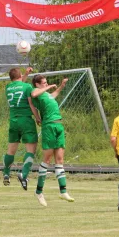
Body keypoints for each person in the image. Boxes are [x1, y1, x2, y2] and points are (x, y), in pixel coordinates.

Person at [30, 74, 74, 206]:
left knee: (60, 159)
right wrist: (47, 87)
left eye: (46, 82)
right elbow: (33, 95)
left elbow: (53, 94)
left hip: (58, 125)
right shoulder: (36, 93)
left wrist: (61, 86)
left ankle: (63, 191)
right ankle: (38, 191)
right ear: (37, 84)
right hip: (48, 126)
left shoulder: (47, 95)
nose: (45, 84)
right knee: (47, 159)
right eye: (43, 83)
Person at [2, 67, 40, 189]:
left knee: (11, 150)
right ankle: (23, 174)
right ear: (20, 75)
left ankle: (6, 173)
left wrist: (25, 74)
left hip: (13, 120)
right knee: (31, 149)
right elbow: (31, 104)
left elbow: (18, 84)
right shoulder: (27, 87)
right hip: (26, 120)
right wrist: (38, 118)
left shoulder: (8, 88)